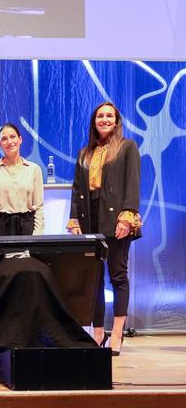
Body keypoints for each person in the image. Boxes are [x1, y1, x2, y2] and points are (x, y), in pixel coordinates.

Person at [67, 102, 141, 356]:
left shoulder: (127, 147)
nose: (105, 119)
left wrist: (127, 216)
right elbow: (77, 190)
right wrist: (74, 219)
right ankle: (97, 333)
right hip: (90, 220)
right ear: (94, 121)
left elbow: (132, 183)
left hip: (117, 219)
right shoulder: (84, 153)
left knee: (118, 276)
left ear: (117, 120)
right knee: (93, 280)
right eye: (100, 116)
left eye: (110, 115)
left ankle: (118, 334)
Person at [0, 123, 44, 236]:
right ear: (0, 144)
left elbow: (39, 207)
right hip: (0, 228)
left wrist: (37, 236)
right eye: (4, 139)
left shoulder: (34, 169)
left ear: (20, 139)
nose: (9, 142)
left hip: (26, 228)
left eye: (13, 137)